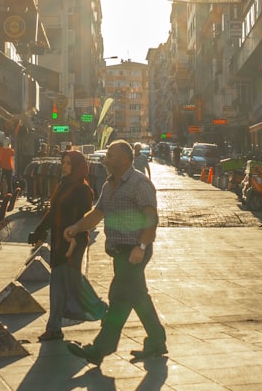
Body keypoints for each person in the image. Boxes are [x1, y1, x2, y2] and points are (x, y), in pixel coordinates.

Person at [64, 140, 165, 366]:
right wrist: (78, 226)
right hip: (120, 252)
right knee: (138, 297)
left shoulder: (140, 183)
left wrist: (141, 248)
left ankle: (100, 348)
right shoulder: (108, 185)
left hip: (135, 250)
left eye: (110, 155)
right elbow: (98, 213)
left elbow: (151, 218)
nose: (105, 158)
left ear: (124, 159)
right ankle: (157, 341)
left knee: (119, 296)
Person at [29, 149, 106, 341]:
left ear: (78, 167)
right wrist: (40, 230)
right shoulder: (63, 185)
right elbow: (53, 212)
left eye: (68, 163)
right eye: (63, 163)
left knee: (63, 283)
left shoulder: (82, 189)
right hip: (58, 240)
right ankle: (99, 312)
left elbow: (84, 219)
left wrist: (72, 236)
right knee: (67, 283)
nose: (64, 167)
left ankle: (100, 312)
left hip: (73, 243)